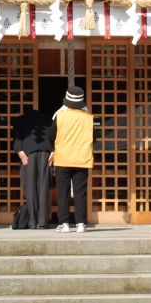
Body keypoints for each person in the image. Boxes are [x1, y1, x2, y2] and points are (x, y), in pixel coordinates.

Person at [48, 84, 93, 233]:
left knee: (63, 193)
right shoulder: (88, 118)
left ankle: (64, 223)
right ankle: (81, 223)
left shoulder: (60, 116)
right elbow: (94, 138)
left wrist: (56, 148)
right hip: (82, 158)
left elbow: (51, 135)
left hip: (63, 158)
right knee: (80, 193)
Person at [10, 108, 53, 229]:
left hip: (27, 154)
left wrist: (19, 151)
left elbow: (17, 137)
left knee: (29, 187)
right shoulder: (49, 119)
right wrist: (54, 151)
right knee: (44, 186)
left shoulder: (20, 120)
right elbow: (55, 136)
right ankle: (43, 222)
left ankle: (32, 222)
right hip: (46, 153)